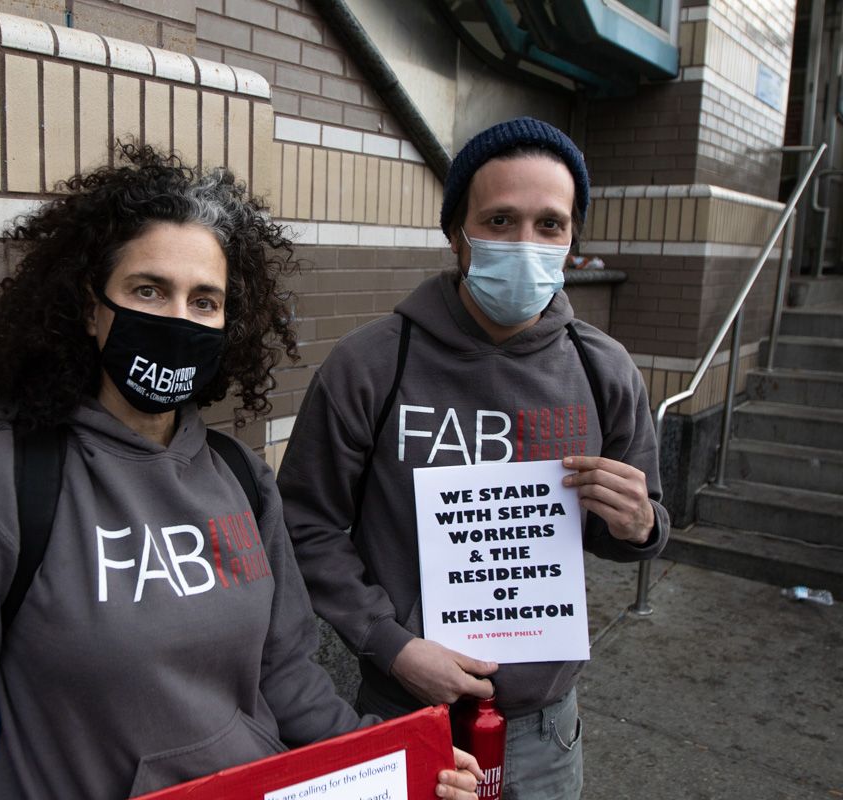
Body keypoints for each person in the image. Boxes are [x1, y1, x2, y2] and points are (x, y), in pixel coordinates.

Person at [0, 144, 482, 799]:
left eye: (204, 300)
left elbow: (289, 680)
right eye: (148, 290)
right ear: (91, 307)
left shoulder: (241, 482)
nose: (177, 318)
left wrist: (405, 761)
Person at [278, 118, 671, 798]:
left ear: (573, 239)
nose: (526, 245)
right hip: (404, 713)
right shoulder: (372, 365)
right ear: (456, 233)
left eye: (550, 225)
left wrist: (638, 523)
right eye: (499, 219)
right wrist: (389, 644)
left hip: (542, 730)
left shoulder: (603, 370)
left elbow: (637, 530)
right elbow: (303, 526)